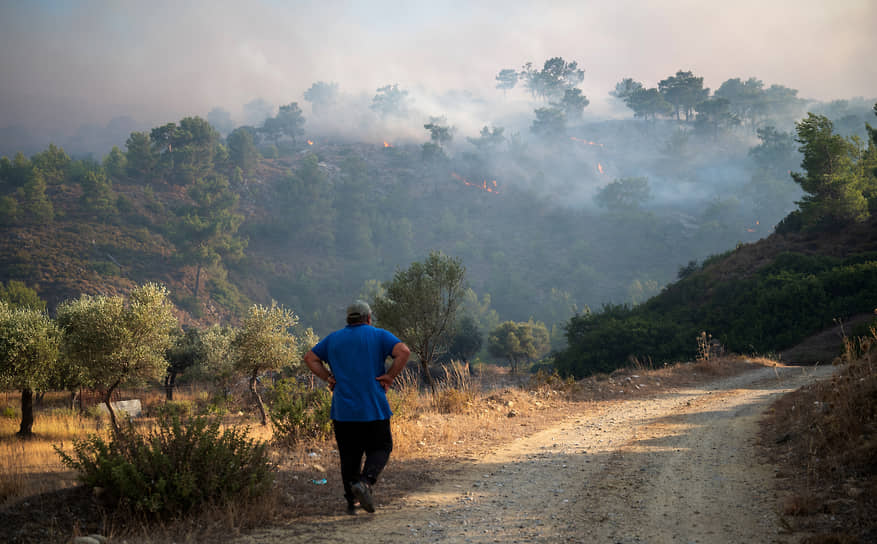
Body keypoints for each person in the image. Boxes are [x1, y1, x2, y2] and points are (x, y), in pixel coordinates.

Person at [304, 300, 410, 514]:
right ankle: (366, 482)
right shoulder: (378, 335)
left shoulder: (333, 339)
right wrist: (389, 376)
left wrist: (328, 378)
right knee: (381, 447)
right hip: (374, 407)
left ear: (348, 319)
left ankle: (351, 503)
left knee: (349, 456)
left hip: (343, 410)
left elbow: (310, 358)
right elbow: (404, 351)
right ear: (368, 318)